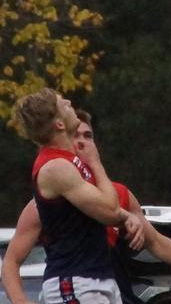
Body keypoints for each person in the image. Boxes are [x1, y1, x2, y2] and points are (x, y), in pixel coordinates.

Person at [1, 110, 171, 304]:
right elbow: (11, 261)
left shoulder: (120, 195)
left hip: (117, 293)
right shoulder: (43, 203)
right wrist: (20, 300)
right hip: (77, 286)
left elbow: (157, 243)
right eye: (76, 135)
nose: (82, 142)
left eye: (88, 136)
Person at [12, 88, 126, 303]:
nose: (69, 101)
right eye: (63, 104)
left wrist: (127, 217)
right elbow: (110, 211)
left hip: (95, 279)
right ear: (60, 124)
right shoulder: (56, 167)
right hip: (75, 282)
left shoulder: (68, 162)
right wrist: (96, 163)